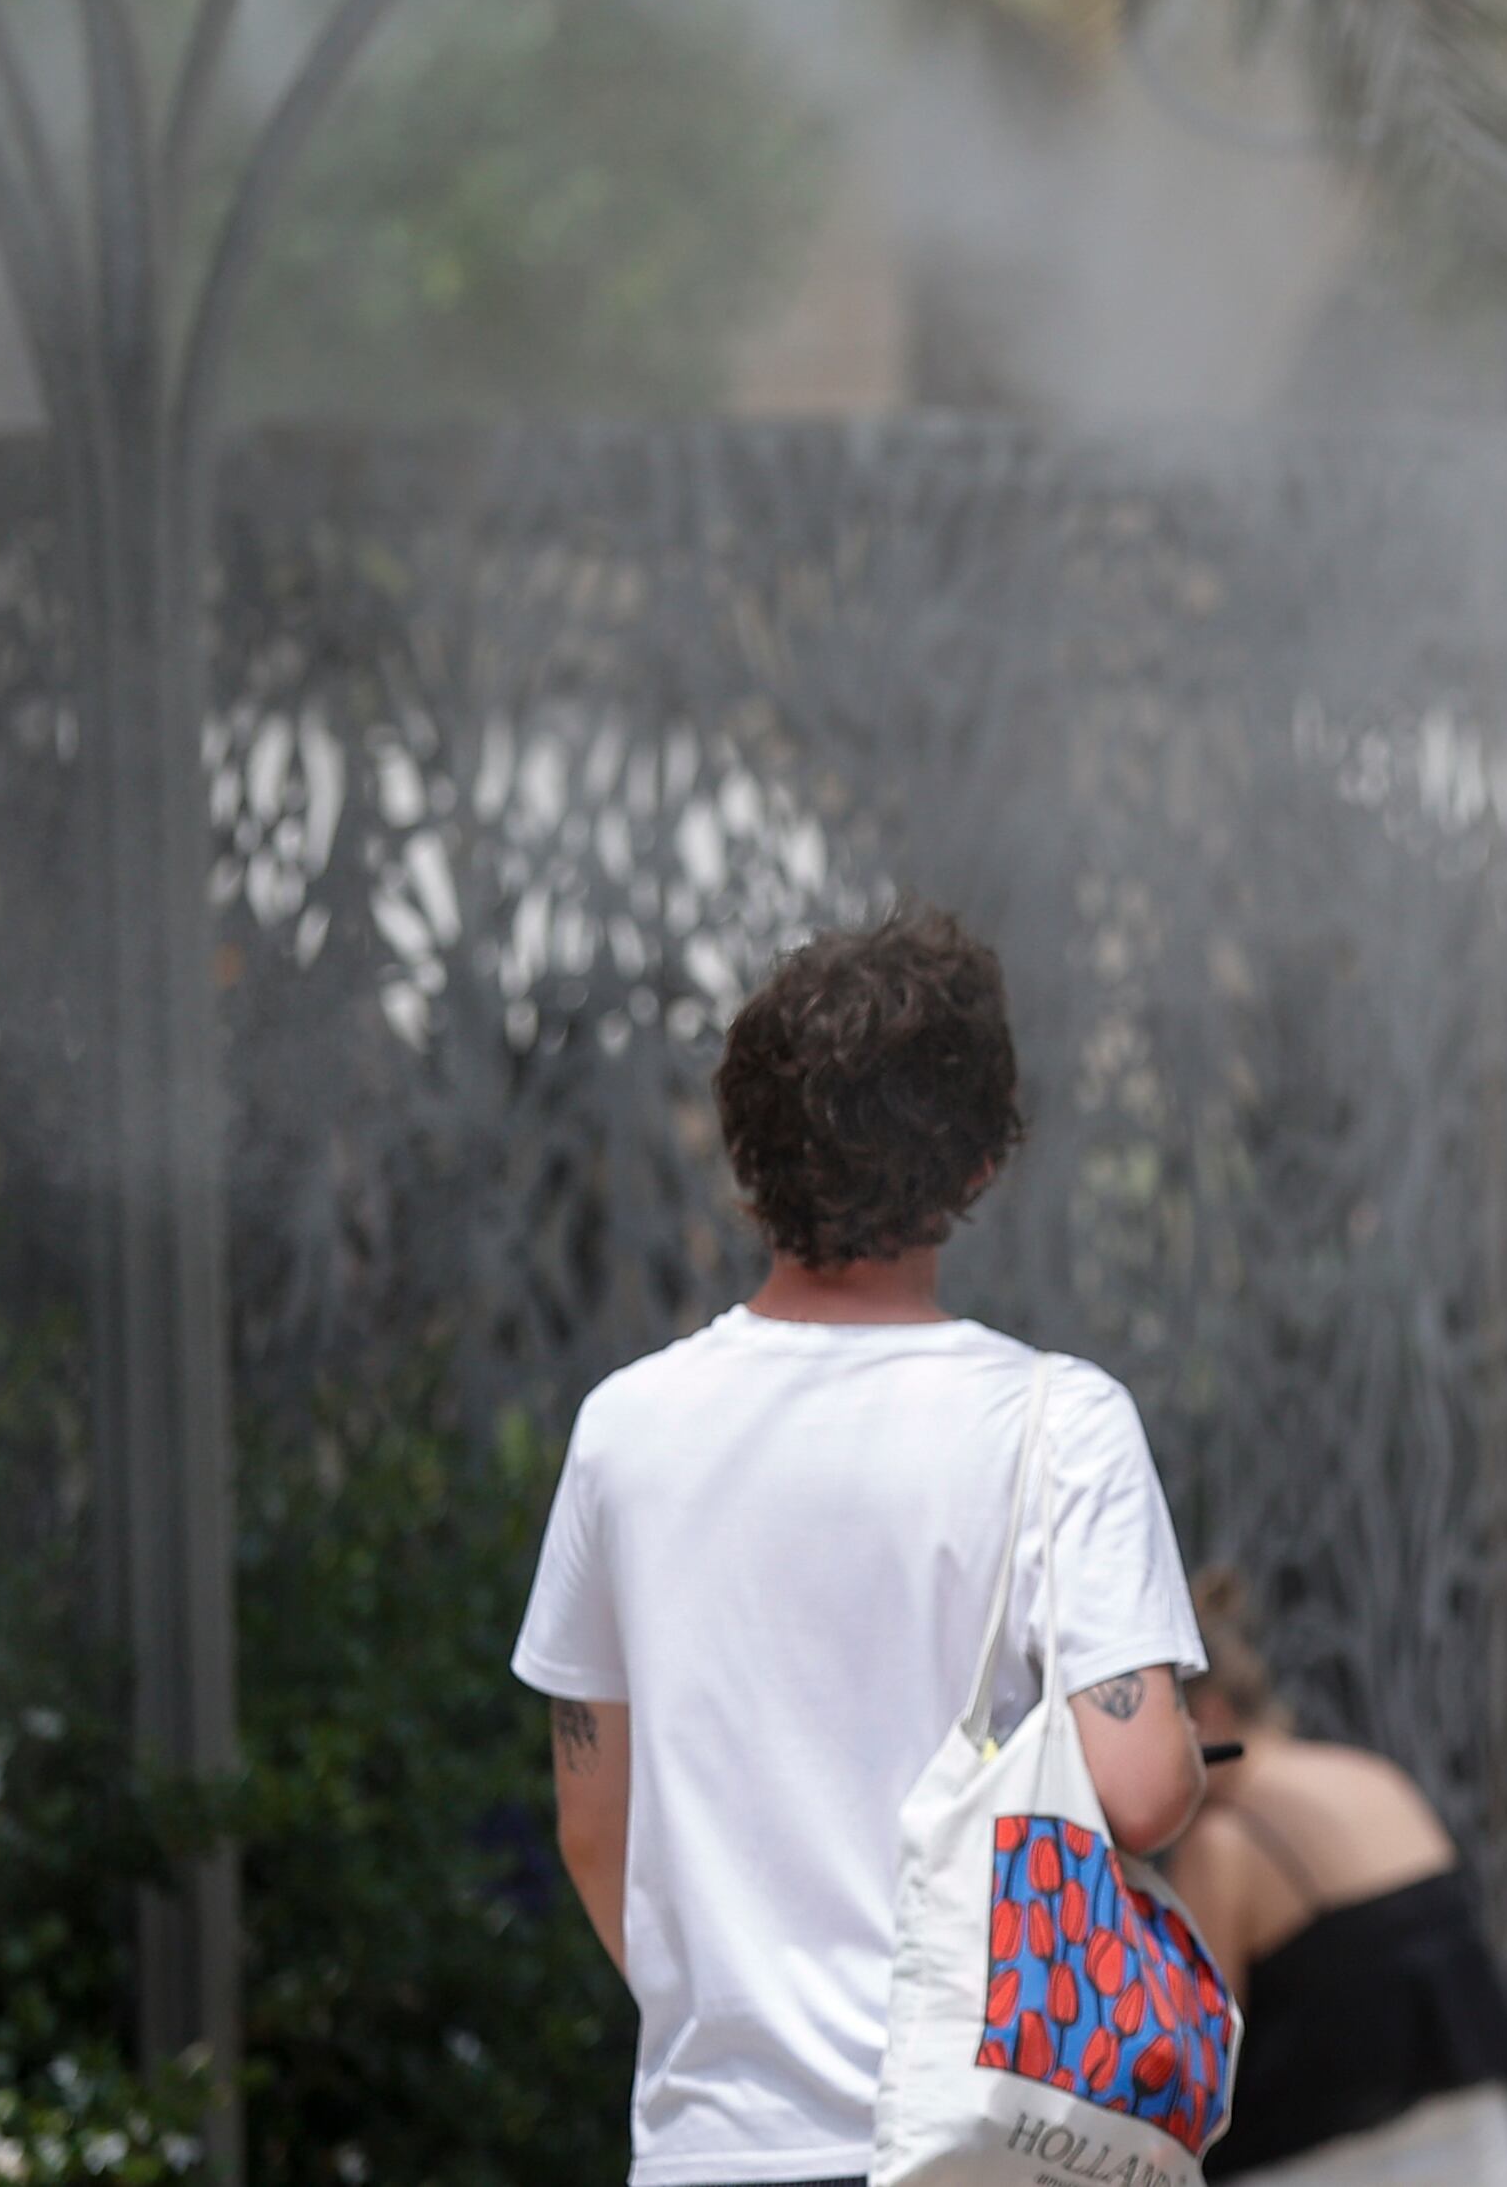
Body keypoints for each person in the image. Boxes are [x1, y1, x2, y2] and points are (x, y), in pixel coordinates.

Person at [513, 905, 1212, 2186]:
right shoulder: (1058, 1425)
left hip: (708, 2145)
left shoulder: (625, 1432)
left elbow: (592, 1825)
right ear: (977, 1167)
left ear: (750, 1152)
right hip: (975, 2138)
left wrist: (735, 2023)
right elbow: (1145, 1789)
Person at [1161, 1566, 1507, 2187]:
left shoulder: (1225, 1842)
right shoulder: (1374, 1776)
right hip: (1483, 2142)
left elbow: (1190, 2064)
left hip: (1323, 2162)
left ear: (1209, 1714)